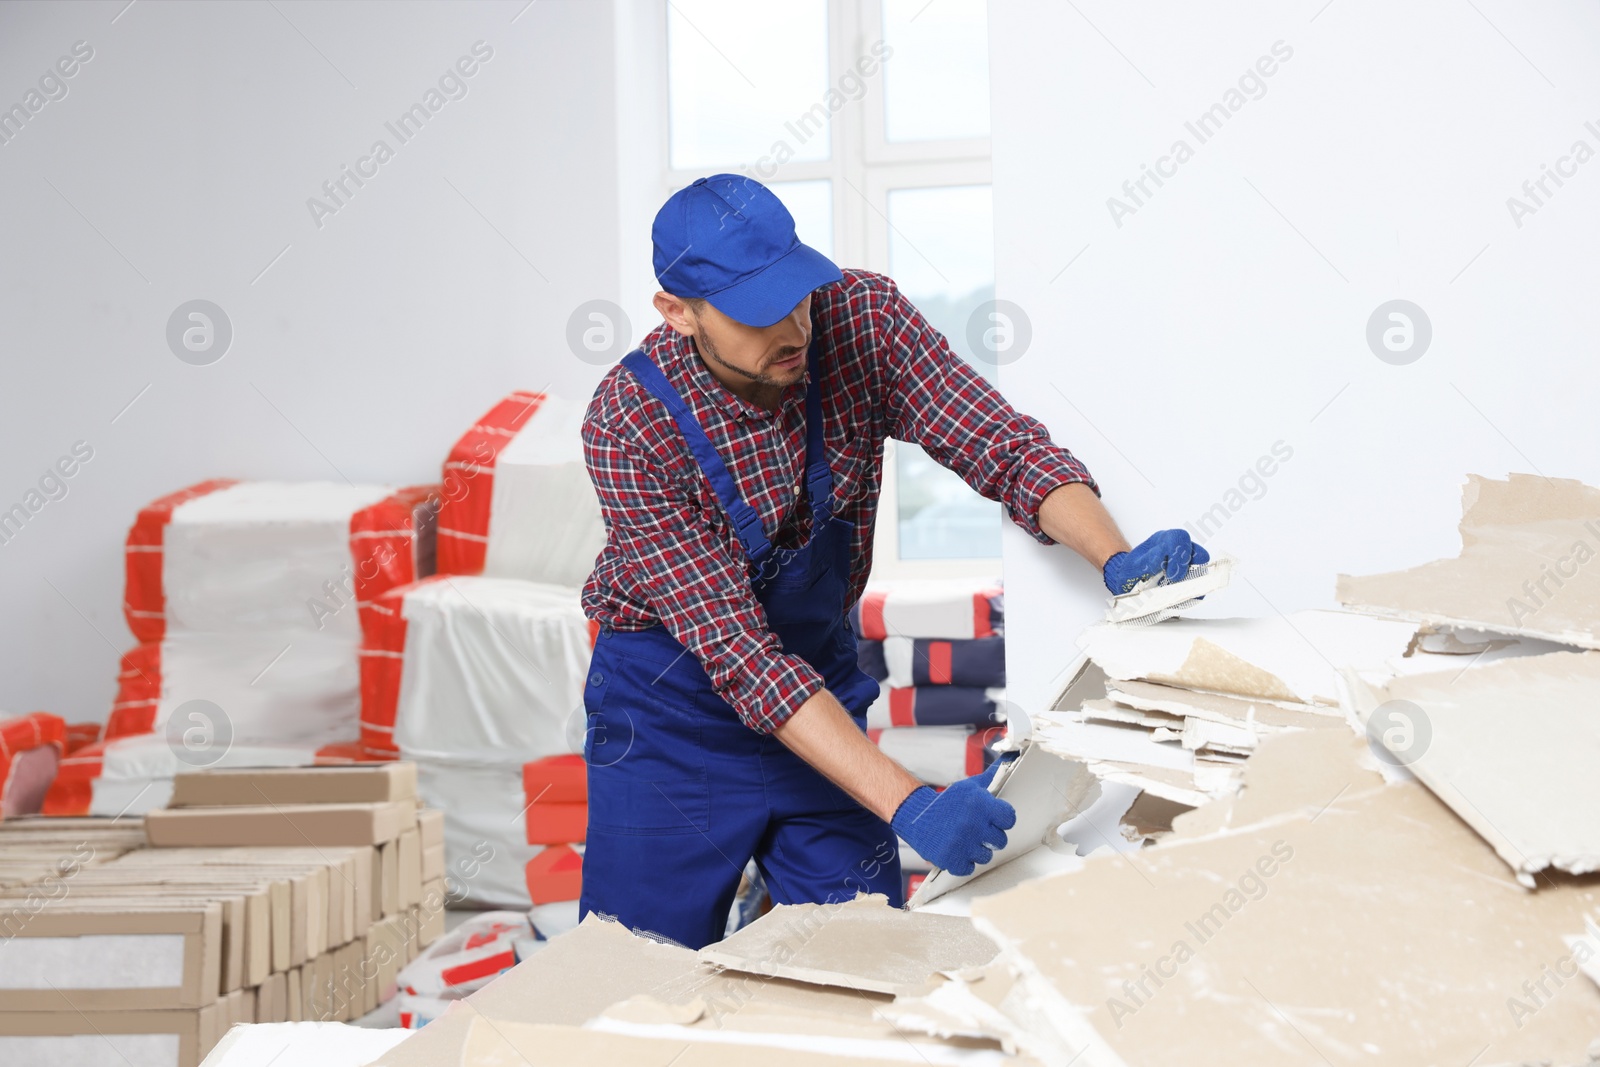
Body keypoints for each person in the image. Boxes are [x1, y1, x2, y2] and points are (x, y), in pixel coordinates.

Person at [576, 174, 1206, 949]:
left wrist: (1117, 556)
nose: (794, 327)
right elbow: (740, 655)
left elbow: (996, 441)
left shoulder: (861, 319)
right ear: (678, 312)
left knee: (858, 956)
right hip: (672, 718)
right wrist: (909, 803)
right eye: (756, 311)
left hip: (818, 688)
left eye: (797, 293)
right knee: (634, 975)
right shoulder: (628, 421)